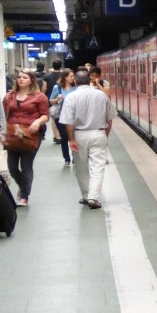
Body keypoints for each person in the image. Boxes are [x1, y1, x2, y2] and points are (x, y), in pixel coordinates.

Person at [59, 67, 116, 209]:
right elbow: (110, 119)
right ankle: (94, 197)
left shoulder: (70, 97)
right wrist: (105, 135)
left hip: (79, 134)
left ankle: (86, 195)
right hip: (99, 133)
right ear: (89, 79)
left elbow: (68, 122)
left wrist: (71, 139)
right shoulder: (102, 96)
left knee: (81, 167)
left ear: (76, 81)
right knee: (98, 166)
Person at [2, 69, 50, 208]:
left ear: (31, 80)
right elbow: (4, 114)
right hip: (12, 133)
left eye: (24, 77)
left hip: (31, 133)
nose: (21, 79)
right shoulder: (9, 96)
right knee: (11, 167)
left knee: (26, 165)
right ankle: (24, 186)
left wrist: (37, 122)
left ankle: (24, 196)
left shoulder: (39, 97)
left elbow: (45, 115)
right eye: (19, 77)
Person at [48, 70, 78, 166]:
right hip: (60, 116)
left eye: (73, 76)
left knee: (74, 137)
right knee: (64, 138)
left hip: (74, 116)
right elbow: (50, 101)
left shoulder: (76, 88)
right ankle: (66, 158)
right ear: (65, 77)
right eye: (71, 76)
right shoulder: (57, 88)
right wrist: (57, 99)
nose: (73, 78)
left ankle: (75, 157)